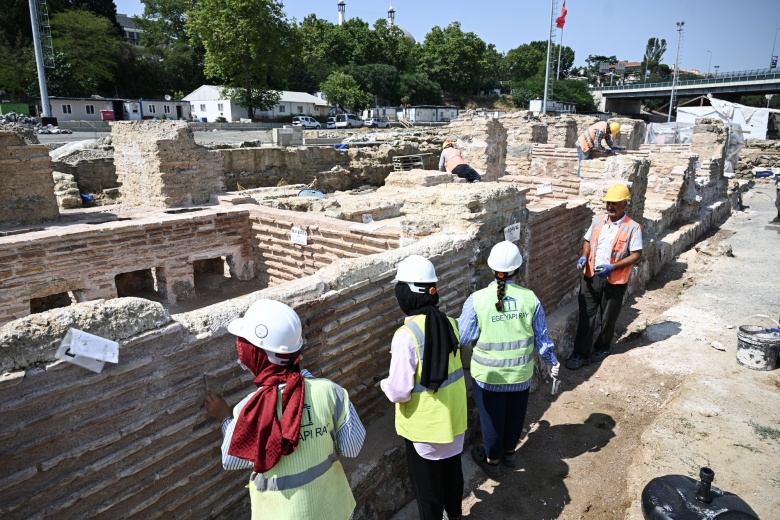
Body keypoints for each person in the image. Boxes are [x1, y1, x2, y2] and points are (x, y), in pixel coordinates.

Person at [203, 299, 365, 520]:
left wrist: (225, 419)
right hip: (333, 509)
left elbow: (232, 459)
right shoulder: (331, 392)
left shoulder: (249, 409)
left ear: (255, 356)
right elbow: (352, 448)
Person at [457, 241, 560, 478]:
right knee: (515, 414)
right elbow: (541, 337)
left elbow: (464, 337)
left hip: (488, 376)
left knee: (491, 419)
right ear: (518, 269)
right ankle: (510, 453)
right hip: (520, 374)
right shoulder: (530, 299)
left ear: (491, 269)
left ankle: (493, 462)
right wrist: (551, 361)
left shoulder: (477, 299)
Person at [380, 255, 467, 520]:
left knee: (428, 496)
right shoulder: (450, 323)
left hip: (425, 433)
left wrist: (382, 383)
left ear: (406, 295)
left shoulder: (406, 336)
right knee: (453, 483)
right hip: (453, 425)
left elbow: (399, 391)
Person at [565, 183, 643, 370]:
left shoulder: (632, 227)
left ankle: (602, 347)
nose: (610, 206)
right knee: (587, 315)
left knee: (608, 317)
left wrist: (613, 267)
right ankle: (580, 354)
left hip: (614, 279)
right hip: (591, 275)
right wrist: (584, 256)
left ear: (625, 204)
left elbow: (636, 254)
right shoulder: (598, 220)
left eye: (615, 203)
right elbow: (587, 240)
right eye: (608, 202)